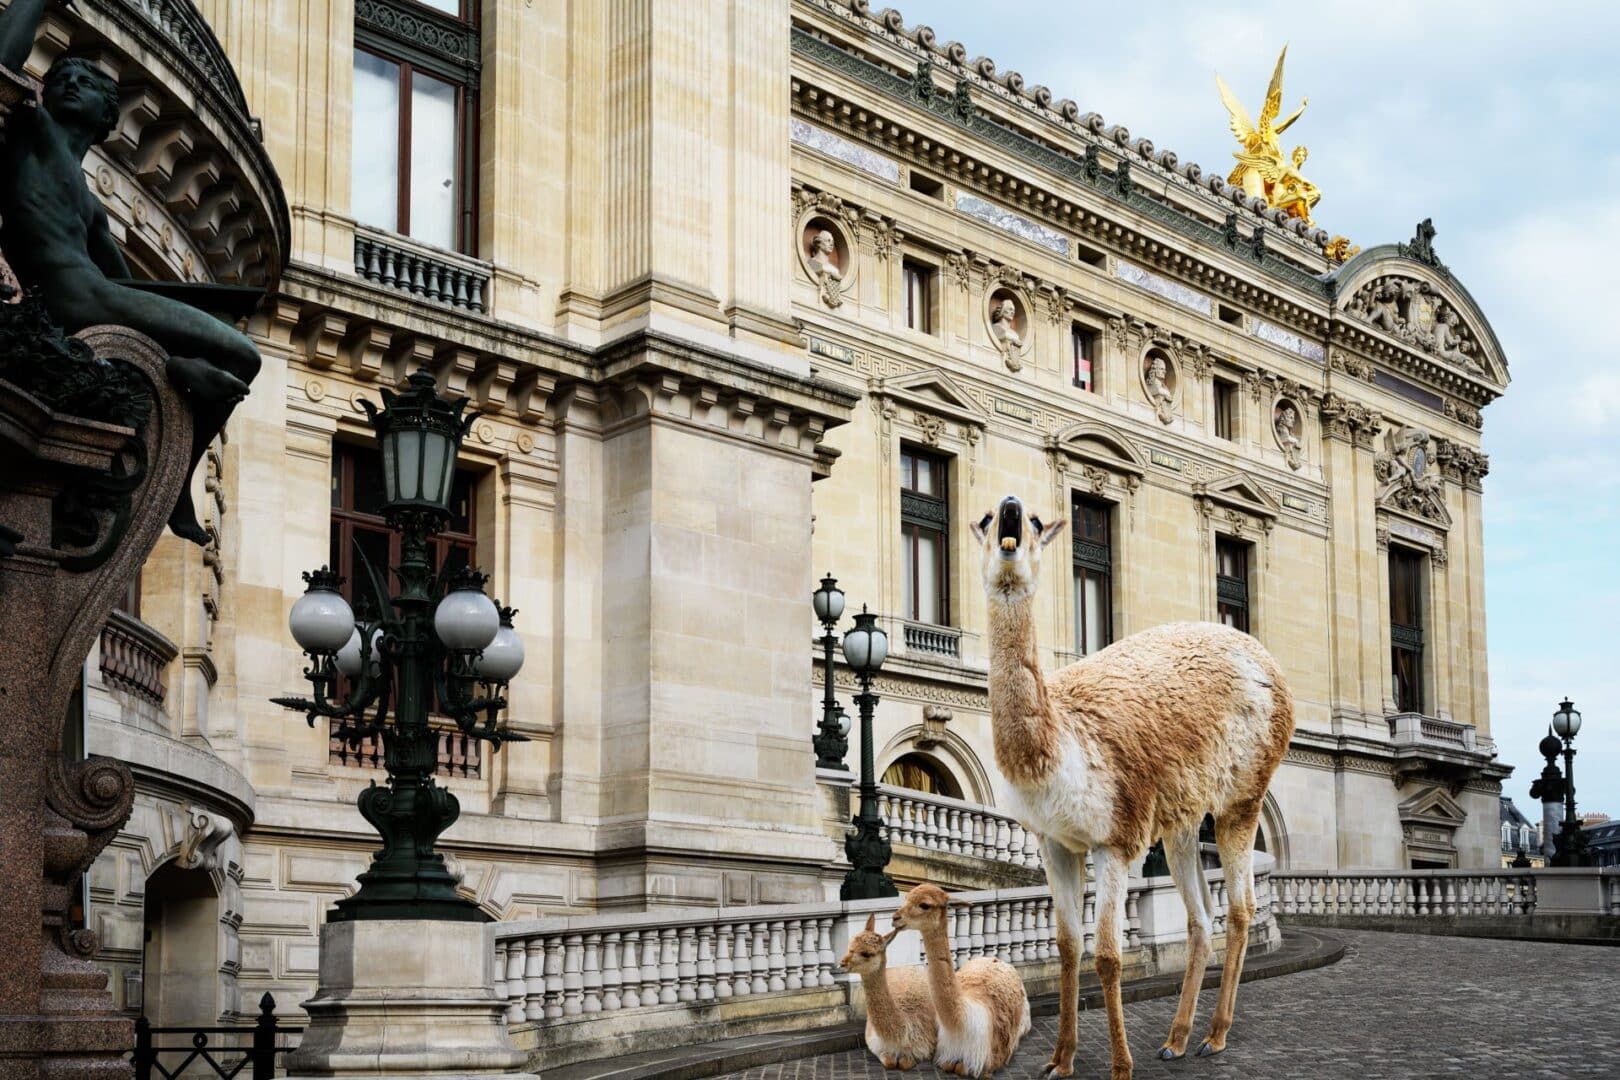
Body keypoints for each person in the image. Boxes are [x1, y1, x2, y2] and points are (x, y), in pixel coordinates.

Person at [0, 0, 261, 544]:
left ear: (106, 117)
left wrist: (205, 307)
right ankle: (178, 456)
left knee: (241, 354)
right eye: (61, 78)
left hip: (95, 295)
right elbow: (3, 59)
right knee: (237, 356)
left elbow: (128, 287)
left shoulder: (92, 207)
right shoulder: (32, 131)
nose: (70, 83)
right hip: (73, 299)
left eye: (85, 82)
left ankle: (178, 463)